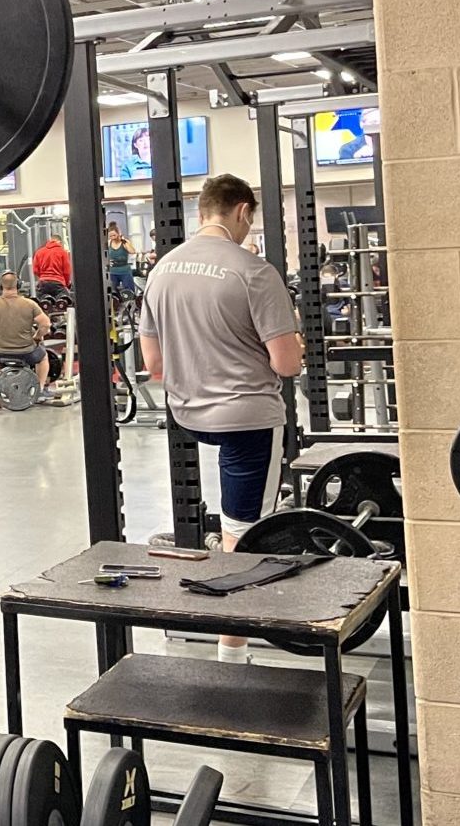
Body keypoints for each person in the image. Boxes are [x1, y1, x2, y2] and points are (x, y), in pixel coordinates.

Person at [139, 174, 302, 664]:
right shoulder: (253, 270)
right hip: (246, 417)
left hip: (189, 414)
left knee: (236, 521)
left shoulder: (162, 270)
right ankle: (231, 656)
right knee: (244, 534)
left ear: (200, 212)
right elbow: (287, 365)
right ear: (243, 212)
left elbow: (156, 367)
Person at [0, 272, 50, 398]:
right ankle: (40, 389)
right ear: (18, 285)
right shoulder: (30, 304)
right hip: (27, 353)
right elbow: (46, 325)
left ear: (0, 286)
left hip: (2, 353)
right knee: (43, 358)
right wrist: (37, 337)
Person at [31, 236, 72, 301]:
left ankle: (45, 298)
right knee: (66, 300)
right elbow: (66, 272)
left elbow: (35, 270)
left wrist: (43, 276)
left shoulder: (39, 252)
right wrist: (66, 284)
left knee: (41, 299)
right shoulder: (63, 252)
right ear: (60, 242)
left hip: (43, 283)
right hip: (58, 283)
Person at [105, 224, 139, 295]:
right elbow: (103, 255)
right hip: (113, 271)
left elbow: (132, 251)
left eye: (114, 235)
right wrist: (107, 261)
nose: (112, 237)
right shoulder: (109, 243)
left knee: (129, 293)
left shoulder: (124, 242)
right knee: (113, 294)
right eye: (110, 236)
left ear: (118, 234)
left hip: (125, 271)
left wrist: (123, 241)